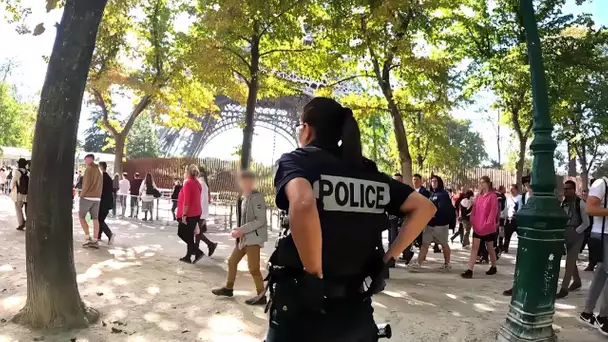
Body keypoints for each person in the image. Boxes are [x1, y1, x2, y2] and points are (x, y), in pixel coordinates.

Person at [264, 97, 436, 341]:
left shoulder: (297, 161)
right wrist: (387, 259)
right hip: (355, 310)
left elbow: (303, 203)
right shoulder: (367, 172)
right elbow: (425, 208)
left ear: (307, 129)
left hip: (301, 311)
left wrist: (314, 276)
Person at [212, 170, 268, 305]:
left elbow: (260, 220)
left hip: (253, 239)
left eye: (245, 181)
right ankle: (228, 288)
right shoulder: (244, 197)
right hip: (244, 238)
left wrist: (241, 230)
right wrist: (238, 231)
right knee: (232, 261)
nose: (243, 183)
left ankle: (261, 295)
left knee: (253, 268)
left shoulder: (257, 197)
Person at [579, 177, 608, 335]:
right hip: (603, 235)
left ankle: (587, 313)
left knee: (601, 275)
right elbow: (590, 209)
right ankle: (604, 317)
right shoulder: (601, 184)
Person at [411, 175, 453, 272]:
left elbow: (443, 209)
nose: (433, 183)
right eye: (432, 181)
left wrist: (434, 215)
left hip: (440, 225)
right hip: (430, 224)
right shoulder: (431, 194)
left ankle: (447, 263)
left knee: (444, 244)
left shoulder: (443, 194)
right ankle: (418, 264)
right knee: (425, 244)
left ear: (439, 182)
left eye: (435, 181)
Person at [556, 180, 589, 299]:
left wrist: (576, 231)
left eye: (568, 189)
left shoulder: (580, 203)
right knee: (571, 260)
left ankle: (564, 289)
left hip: (576, 236)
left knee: (569, 263)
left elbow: (586, 223)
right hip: (565, 234)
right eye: (564, 189)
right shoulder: (563, 203)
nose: (565, 191)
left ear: (573, 190)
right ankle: (577, 281)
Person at [462, 176, 499, 278]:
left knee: (490, 247)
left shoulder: (492, 196)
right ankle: (470, 269)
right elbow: (474, 209)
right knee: (475, 247)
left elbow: (493, 211)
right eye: (480, 182)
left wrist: (488, 223)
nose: (481, 184)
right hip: (478, 226)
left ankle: (494, 266)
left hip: (487, 227)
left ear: (488, 183)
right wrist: (473, 220)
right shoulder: (479, 196)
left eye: (483, 182)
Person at [176, 164, 203, 263]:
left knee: (182, 233)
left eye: (185, 171)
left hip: (189, 214)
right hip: (196, 213)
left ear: (188, 172)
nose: (184, 173)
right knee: (189, 235)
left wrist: (184, 214)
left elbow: (187, 201)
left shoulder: (188, 183)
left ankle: (197, 251)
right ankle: (188, 256)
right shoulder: (197, 183)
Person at [79, 154, 102, 248]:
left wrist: (82, 194)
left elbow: (86, 184)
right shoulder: (99, 169)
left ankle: (88, 237)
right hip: (97, 197)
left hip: (87, 196)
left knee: (81, 217)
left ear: (88, 160)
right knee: (95, 219)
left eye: (85, 160)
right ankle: (96, 239)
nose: (85, 162)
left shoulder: (89, 169)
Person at [196, 166, 218, 256]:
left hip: (199, 212)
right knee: (197, 232)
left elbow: (198, 199)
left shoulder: (200, 183)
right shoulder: (203, 183)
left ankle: (197, 251)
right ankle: (210, 245)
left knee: (197, 232)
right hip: (202, 212)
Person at [387, 173, 405, 266]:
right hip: (391, 219)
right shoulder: (389, 191)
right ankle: (392, 260)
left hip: (401, 219)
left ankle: (392, 260)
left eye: (398, 180)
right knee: (391, 240)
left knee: (397, 240)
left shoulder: (405, 192)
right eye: (394, 180)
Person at [97, 162, 116, 245]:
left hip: (102, 202)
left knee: (99, 220)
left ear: (101, 167)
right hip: (107, 202)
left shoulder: (102, 177)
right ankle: (98, 236)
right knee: (100, 219)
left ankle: (109, 234)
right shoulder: (108, 177)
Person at [11, 158, 28, 231]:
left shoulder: (17, 172)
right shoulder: (28, 172)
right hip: (26, 194)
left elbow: (13, 182)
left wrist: (11, 189)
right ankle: (26, 221)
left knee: (18, 209)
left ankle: (21, 223)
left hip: (19, 193)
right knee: (26, 208)